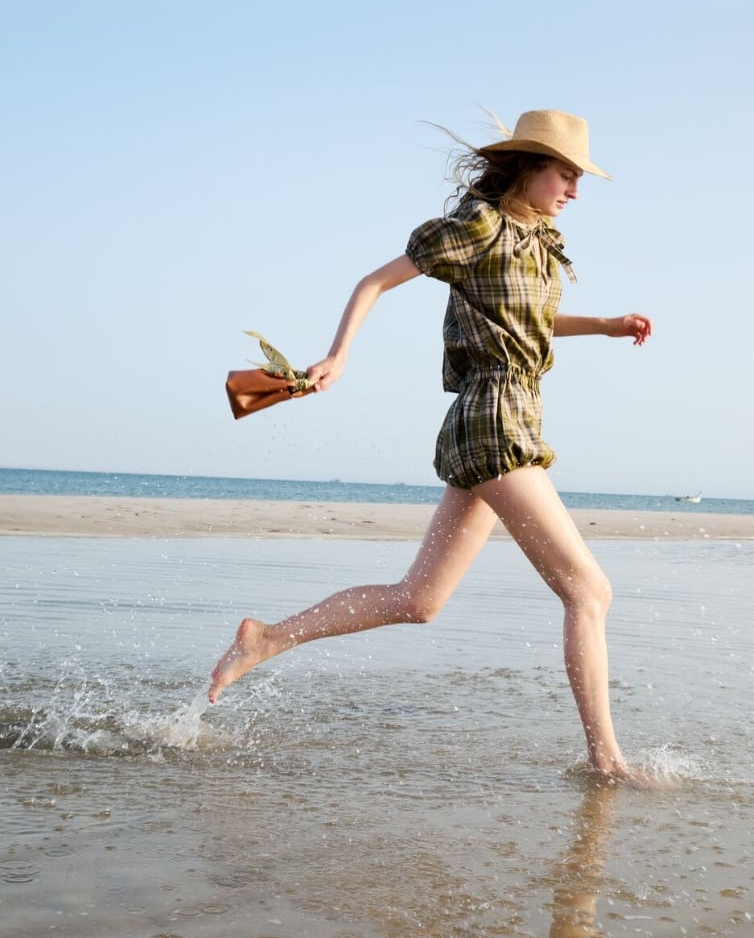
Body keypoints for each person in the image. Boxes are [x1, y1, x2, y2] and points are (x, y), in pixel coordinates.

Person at [209, 109, 653, 781]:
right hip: (494, 422)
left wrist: (607, 324)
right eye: (566, 174)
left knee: (419, 600)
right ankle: (607, 762)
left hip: (507, 417)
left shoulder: (535, 240)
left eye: (578, 179)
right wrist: (338, 355)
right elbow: (375, 281)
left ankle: (266, 638)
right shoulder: (477, 228)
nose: (574, 190)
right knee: (589, 591)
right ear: (528, 168)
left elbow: (529, 317)